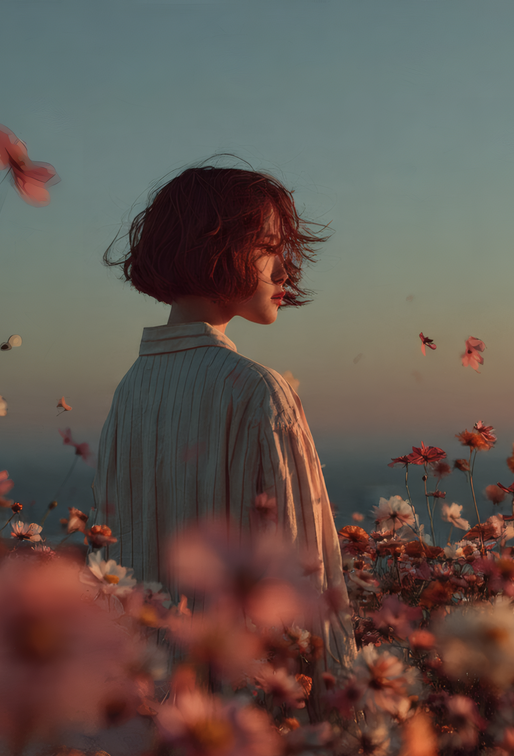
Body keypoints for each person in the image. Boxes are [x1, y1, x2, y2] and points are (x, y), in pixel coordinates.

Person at [93, 161, 353, 670]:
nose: (285, 271)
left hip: (139, 705)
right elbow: (304, 583)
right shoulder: (258, 392)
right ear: (213, 247)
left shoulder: (130, 390)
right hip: (242, 707)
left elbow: (110, 565)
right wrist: (340, 720)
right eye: (269, 248)